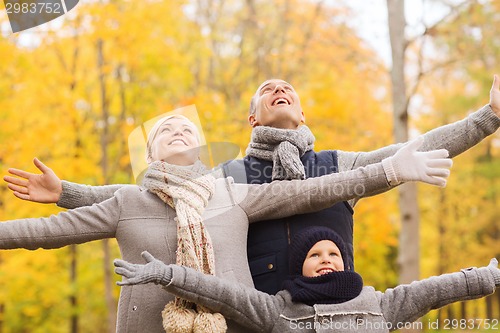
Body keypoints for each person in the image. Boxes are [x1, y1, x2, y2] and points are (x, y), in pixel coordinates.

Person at [5, 76, 500, 295]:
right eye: (267, 91)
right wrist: (69, 192)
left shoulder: (340, 165)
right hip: (256, 314)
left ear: (303, 113)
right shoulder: (228, 178)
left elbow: (413, 151)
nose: (278, 90)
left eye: (288, 89)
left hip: (331, 305)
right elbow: (152, 197)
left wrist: (490, 117)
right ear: (251, 117)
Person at [0, 115, 453, 333]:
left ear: (202, 150)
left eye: (187, 129)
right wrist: (63, 194)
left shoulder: (231, 194)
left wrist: (394, 170)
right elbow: (40, 234)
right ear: (150, 153)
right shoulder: (126, 201)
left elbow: (315, 190)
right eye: (165, 130)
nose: (177, 131)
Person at [114, 226, 500, 333]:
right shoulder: (278, 309)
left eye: (333, 254)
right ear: (301, 268)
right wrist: (167, 274)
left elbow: (436, 289)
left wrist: (489, 277)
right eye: (315, 256)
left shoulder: (379, 304)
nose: (326, 259)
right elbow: (222, 294)